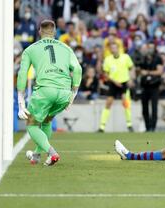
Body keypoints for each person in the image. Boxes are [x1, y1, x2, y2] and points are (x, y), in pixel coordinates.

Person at [17, 20, 82, 166]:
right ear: (54, 32)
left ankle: (52, 153)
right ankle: (36, 156)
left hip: (45, 91)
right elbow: (77, 69)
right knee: (46, 121)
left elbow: (22, 74)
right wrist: (74, 93)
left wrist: (21, 100)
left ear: (39, 31)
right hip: (64, 93)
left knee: (32, 125)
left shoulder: (30, 49)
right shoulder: (66, 48)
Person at [98, 42, 135, 132]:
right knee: (108, 103)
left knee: (126, 103)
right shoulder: (108, 59)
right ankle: (102, 126)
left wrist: (131, 79)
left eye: (115, 48)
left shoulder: (125, 57)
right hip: (113, 83)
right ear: (110, 50)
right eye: (112, 48)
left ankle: (129, 124)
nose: (113, 49)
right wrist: (114, 81)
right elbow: (105, 74)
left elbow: (132, 68)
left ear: (118, 49)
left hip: (124, 82)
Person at [139, 43, 164, 132]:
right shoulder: (144, 59)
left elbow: (160, 71)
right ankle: (147, 127)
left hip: (154, 86)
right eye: (148, 47)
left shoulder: (157, 58)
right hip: (145, 86)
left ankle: (153, 127)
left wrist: (148, 72)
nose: (149, 49)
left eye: (151, 47)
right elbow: (140, 71)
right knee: (144, 108)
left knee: (154, 107)